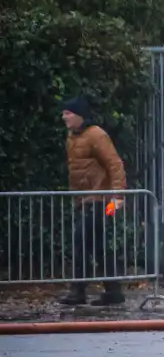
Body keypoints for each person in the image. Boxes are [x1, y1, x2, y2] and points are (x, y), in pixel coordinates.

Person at [60, 96, 128, 306]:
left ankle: (79, 290)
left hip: (101, 200)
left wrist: (117, 196)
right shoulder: (72, 137)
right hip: (85, 200)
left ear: (79, 115)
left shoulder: (96, 135)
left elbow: (114, 164)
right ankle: (112, 290)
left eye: (68, 113)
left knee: (82, 240)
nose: (64, 117)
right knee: (97, 245)